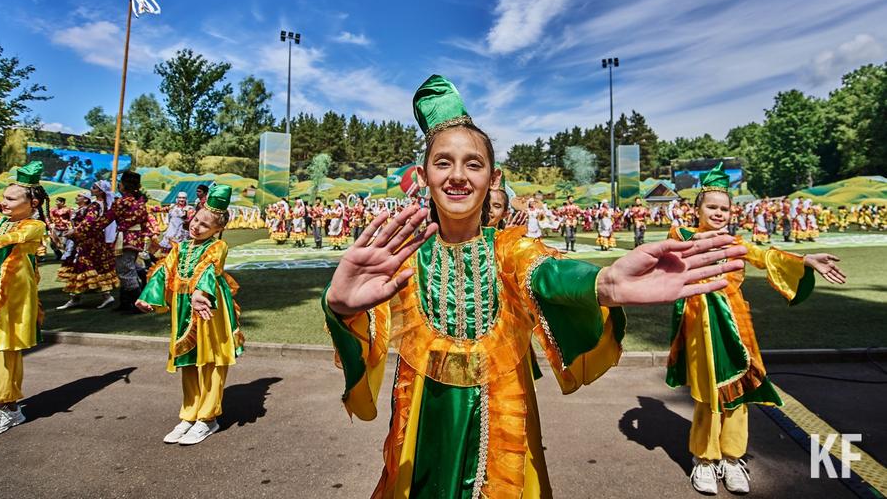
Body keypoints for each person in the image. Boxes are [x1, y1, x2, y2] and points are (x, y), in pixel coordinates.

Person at [322, 75, 747, 497]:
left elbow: (547, 273)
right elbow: (364, 337)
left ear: (493, 178)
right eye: (443, 162)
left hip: (503, 424)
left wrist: (604, 282)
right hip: (421, 427)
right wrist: (341, 308)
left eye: (473, 163)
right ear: (423, 175)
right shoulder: (403, 260)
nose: (458, 175)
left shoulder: (510, 249)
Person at [665, 164, 846, 496]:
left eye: (724, 209)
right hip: (700, 325)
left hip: (737, 324)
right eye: (711, 207)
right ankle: (704, 459)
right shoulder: (684, 237)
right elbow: (674, 245)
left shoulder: (736, 242)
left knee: (739, 391)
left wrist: (805, 260)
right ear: (697, 210)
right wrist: (700, 241)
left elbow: (765, 255)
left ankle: (732, 458)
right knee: (707, 393)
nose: (718, 213)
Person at [135, 185, 244, 446]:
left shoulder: (217, 246)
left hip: (209, 306)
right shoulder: (181, 247)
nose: (196, 226)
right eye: (196, 220)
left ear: (217, 229)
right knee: (188, 361)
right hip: (183, 306)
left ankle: (207, 418)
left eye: (205, 225)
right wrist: (147, 296)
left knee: (211, 360)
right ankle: (189, 414)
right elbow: (164, 271)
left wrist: (199, 293)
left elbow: (209, 269)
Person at [0, 162, 48, 438]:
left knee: (3, 352)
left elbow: (11, 239)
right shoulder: (0, 221)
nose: (4, 202)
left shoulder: (34, 225)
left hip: (11, 300)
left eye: (11, 199)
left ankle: (7, 408)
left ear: (32, 203)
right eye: (4, 197)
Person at [95, 171, 158, 312]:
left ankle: (139, 305)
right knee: (127, 268)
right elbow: (144, 222)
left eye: (120, 183)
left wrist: (84, 231)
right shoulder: (140, 202)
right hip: (136, 239)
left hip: (125, 239)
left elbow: (105, 219)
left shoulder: (122, 202)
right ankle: (125, 302)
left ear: (124, 185)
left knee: (125, 271)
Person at [56, 181, 119, 310]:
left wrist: (74, 231)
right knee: (93, 266)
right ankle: (80, 297)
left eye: (94, 188)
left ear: (100, 191)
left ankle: (81, 297)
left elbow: (89, 221)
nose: (92, 189)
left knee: (84, 265)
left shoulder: (95, 205)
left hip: (89, 241)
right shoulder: (104, 204)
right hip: (94, 240)